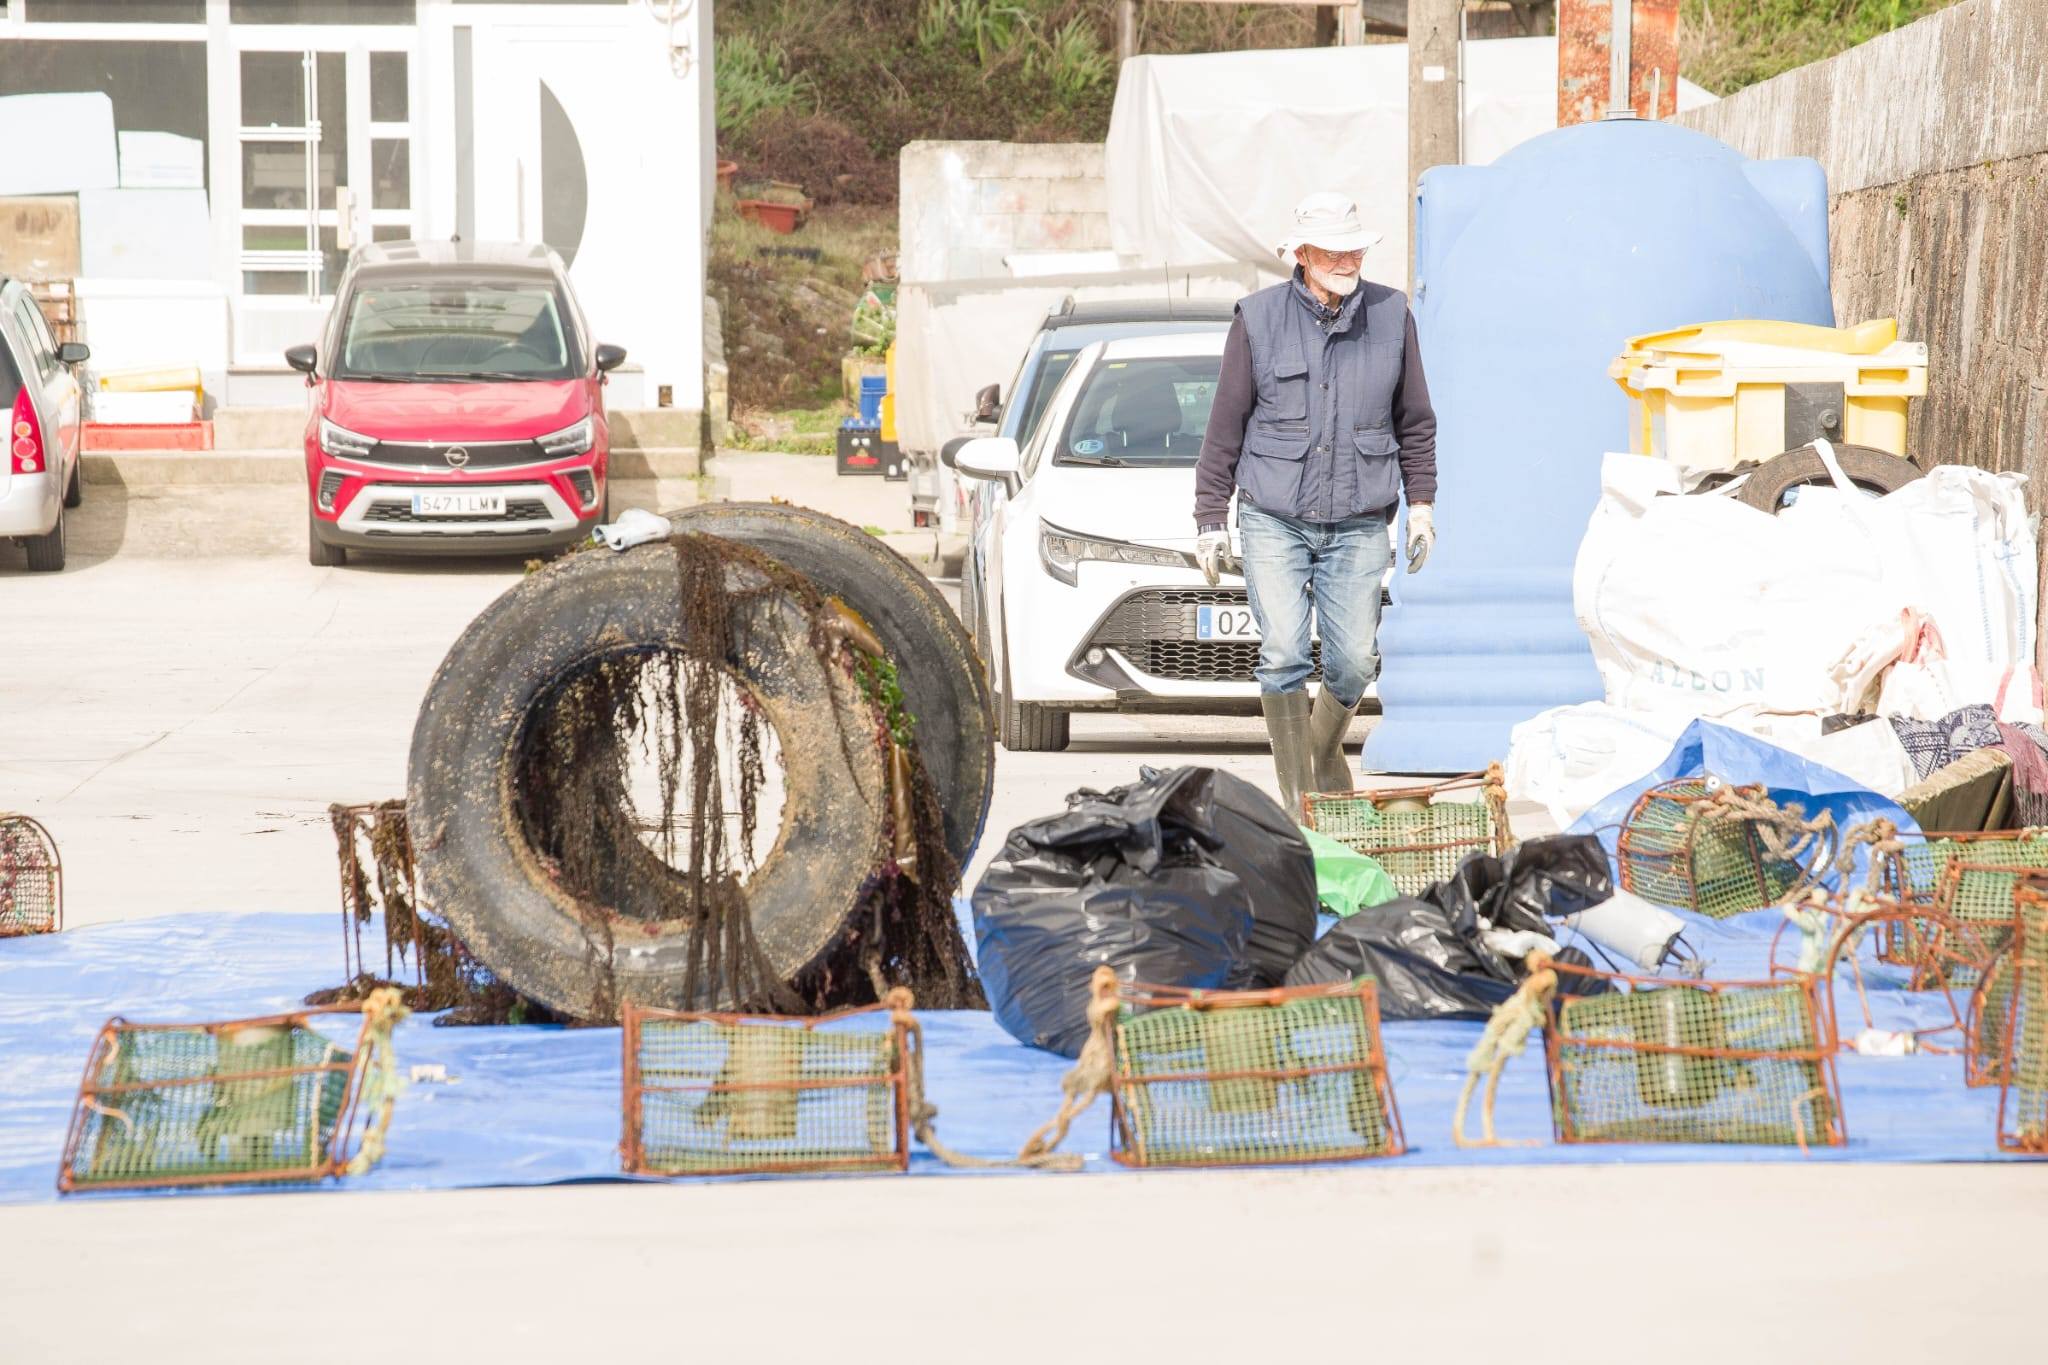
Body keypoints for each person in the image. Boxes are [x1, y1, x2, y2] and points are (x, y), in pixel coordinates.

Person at [1193, 191, 1438, 815]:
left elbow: (1415, 421)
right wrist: (1209, 519)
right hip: (1275, 516)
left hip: (1358, 521)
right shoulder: (1257, 318)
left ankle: (1323, 755)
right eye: (1332, 249)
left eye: (1354, 247)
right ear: (1301, 255)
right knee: (1283, 654)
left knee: (1355, 663)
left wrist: (1425, 507)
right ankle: (1305, 805)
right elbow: (1225, 426)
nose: (1347, 258)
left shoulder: (1391, 315)